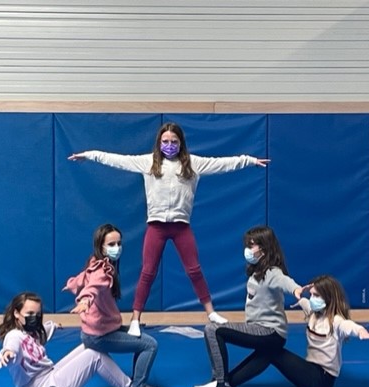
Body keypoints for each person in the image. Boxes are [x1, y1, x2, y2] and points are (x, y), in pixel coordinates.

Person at [68, 122, 269, 329]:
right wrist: (90, 155)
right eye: (165, 141)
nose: (170, 145)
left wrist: (249, 160)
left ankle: (211, 312)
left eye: (174, 141)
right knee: (148, 273)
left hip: (181, 227)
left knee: (194, 270)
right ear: (159, 142)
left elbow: (222, 164)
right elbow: (117, 160)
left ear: (181, 143)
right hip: (157, 227)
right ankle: (135, 319)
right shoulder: (148, 162)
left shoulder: (193, 163)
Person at [194, 225, 303, 387]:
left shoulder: (272, 272)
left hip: (270, 332)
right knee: (259, 359)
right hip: (260, 329)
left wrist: (297, 290)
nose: (248, 249)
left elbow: (286, 282)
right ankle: (220, 382)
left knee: (213, 329)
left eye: (252, 245)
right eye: (247, 245)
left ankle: (221, 385)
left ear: (264, 248)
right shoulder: (257, 272)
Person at [63, 223, 165, 387]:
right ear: (100, 246)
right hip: (98, 336)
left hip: (101, 329)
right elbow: (93, 287)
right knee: (150, 345)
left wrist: (72, 284)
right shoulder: (101, 270)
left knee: (140, 338)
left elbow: (83, 278)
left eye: (119, 243)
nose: (116, 248)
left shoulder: (95, 262)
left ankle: (137, 385)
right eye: (111, 244)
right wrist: (84, 300)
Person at [0, 291, 135, 387]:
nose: (34, 318)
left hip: (50, 376)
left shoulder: (29, 333)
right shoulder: (14, 335)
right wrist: (8, 353)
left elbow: (42, 333)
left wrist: (54, 325)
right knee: (94, 355)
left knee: (90, 344)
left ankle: (125, 385)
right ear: (16, 313)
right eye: (30, 313)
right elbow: (13, 347)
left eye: (37, 314)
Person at [267, 274, 369, 387]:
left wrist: (362, 332)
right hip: (310, 370)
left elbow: (349, 326)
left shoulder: (335, 321)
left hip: (321, 381)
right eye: (311, 294)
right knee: (268, 349)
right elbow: (304, 301)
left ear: (328, 298)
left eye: (316, 295)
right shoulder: (312, 312)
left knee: (272, 351)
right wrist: (300, 292)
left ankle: (250, 380)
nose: (312, 298)